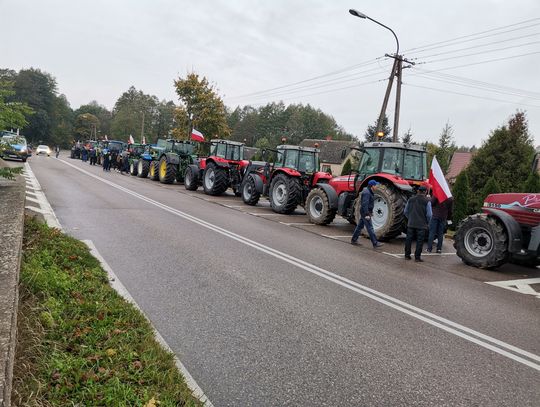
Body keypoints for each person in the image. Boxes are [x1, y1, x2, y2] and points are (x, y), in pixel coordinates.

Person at [351, 180, 384, 249]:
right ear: (372, 186)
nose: (377, 187)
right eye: (376, 185)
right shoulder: (367, 193)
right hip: (365, 212)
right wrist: (367, 214)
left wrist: (369, 212)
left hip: (365, 212)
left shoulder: (369, 192)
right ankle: (375, 243)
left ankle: (354, 240)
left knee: (360, 226)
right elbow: (364, 204)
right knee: (370, 228)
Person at [404, 186, 432, 262]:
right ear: (425, 192)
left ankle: (407, 255)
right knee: (419, 241)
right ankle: (417, 257)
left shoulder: (411, 199)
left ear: (418, 191)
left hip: (411, 223)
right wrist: (428, 223)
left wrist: (410, 218)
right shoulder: (427, 201)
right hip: (422, 225)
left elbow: (405, 212)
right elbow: (429, 215)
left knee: (408, 239)